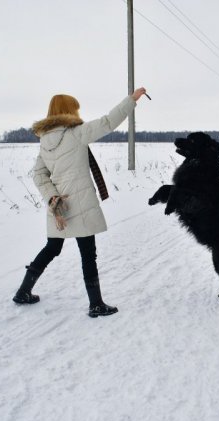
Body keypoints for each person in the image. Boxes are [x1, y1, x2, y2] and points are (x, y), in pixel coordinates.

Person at [13, 87, 148, 317]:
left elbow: (39, 175)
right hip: (80, 203)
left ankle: (23, 291)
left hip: (59, 207)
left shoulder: (45, 140)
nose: (78, 112)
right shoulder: (76, 133)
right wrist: (131, 100)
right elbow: (108, 122)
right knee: (88, 254)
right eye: (75, 108)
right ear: (68, 110)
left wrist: (52, 197)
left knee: (52, 248)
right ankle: (96, 304)